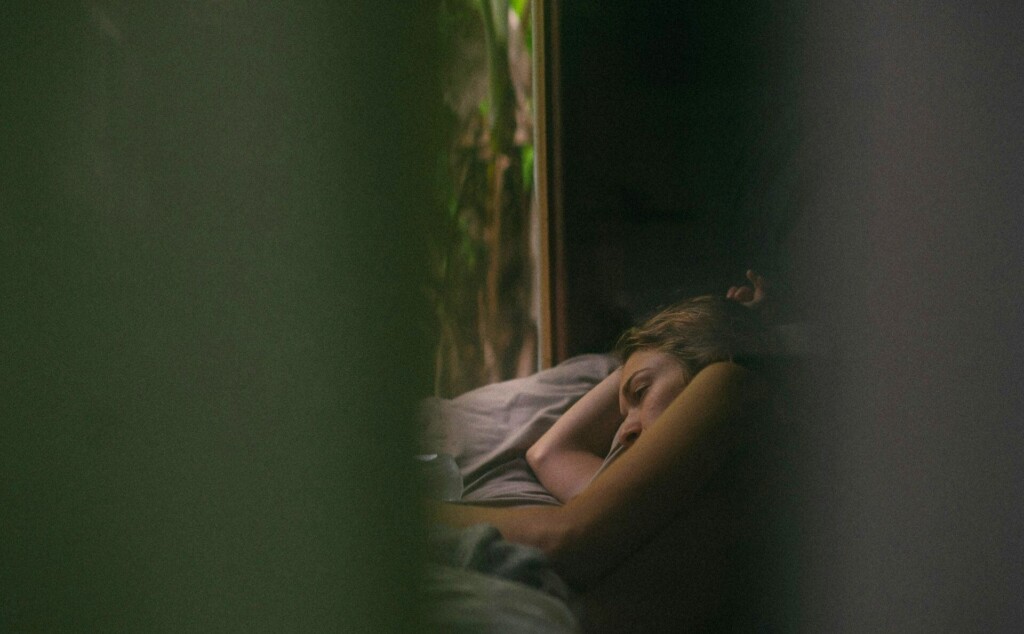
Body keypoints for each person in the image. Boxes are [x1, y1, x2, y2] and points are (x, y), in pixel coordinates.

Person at [437, 270, 775, 588]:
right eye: (624, 412)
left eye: (641, 392)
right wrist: (645, 363)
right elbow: (548, 453)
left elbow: (564, 540)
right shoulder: (655, 493)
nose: (624, 432)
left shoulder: (731, 382)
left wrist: (713, 330)